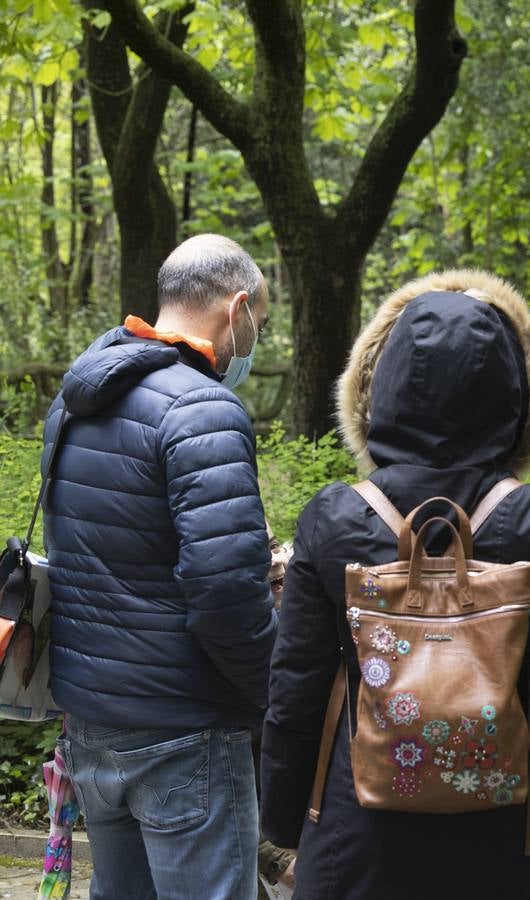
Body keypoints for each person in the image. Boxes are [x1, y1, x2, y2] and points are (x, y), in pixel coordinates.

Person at [259, 270, 530, 898]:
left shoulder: (334, 517)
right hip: (505, 843)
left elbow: (294, 688)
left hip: (357, 839)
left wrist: (285, 826)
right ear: (517, 392)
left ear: (378, 387)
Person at [41, 234, 277, 899]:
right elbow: (225, 592)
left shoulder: (77, 396)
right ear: (238, 309)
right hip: (184, 727)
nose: (256, 338)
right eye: (260, 319)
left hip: (90, 719)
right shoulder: (203, 409)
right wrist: (274, 691)